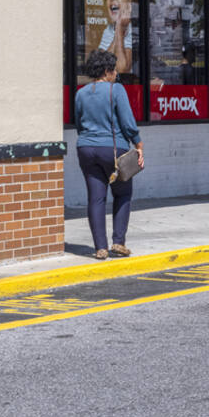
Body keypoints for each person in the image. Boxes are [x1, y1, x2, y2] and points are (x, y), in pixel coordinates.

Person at [73, 48, 143, 260]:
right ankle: (118, 242)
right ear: (106, 71)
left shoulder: (80, 93)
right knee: (122, 193)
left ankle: (100, 248)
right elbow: (128, 123)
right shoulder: (117, 90)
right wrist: (139, 145)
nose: (115, 74)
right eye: (114, 70)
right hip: (113, 149)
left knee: (96, 198)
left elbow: (78, 122)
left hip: (85, 148)